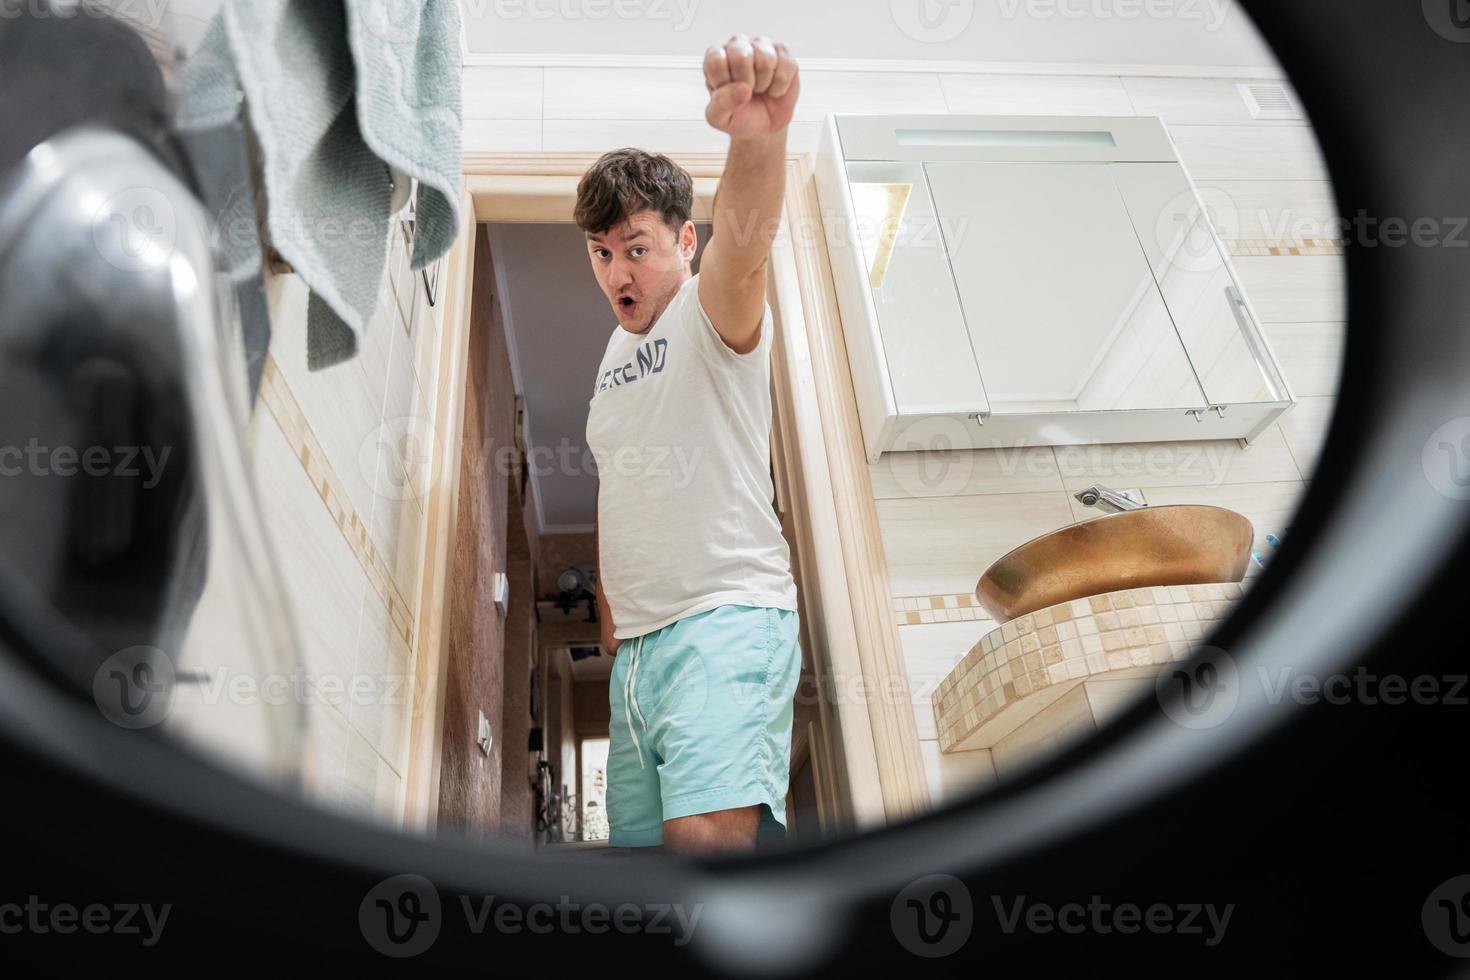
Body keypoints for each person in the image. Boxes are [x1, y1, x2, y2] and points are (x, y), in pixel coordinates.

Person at [581, 34, 803, 857]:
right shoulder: (611, 358)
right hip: (640, 654)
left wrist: (757, 136)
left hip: (724, 617)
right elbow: (622, 481)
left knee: (704, 854)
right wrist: (613, 612)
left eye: (635, 247)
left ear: (685, 243)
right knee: (645, 875)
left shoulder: (709, 314)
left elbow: (746, 249)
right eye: (601, 254)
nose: (615, 273)